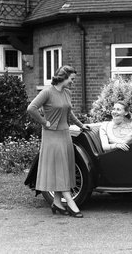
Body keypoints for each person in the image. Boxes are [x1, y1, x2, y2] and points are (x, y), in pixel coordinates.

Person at [27, 65, 90, 218]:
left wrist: (82, 126)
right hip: (51, 135)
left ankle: (56, 202)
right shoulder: (47, 92)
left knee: (63, 167)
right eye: (72, 79)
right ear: (64, 77)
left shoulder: (67, 93)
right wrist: (44, 122)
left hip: (65, 134)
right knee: (60, 168)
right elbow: (31, 108)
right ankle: (69, 201)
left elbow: (69, 113)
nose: (73, 82)